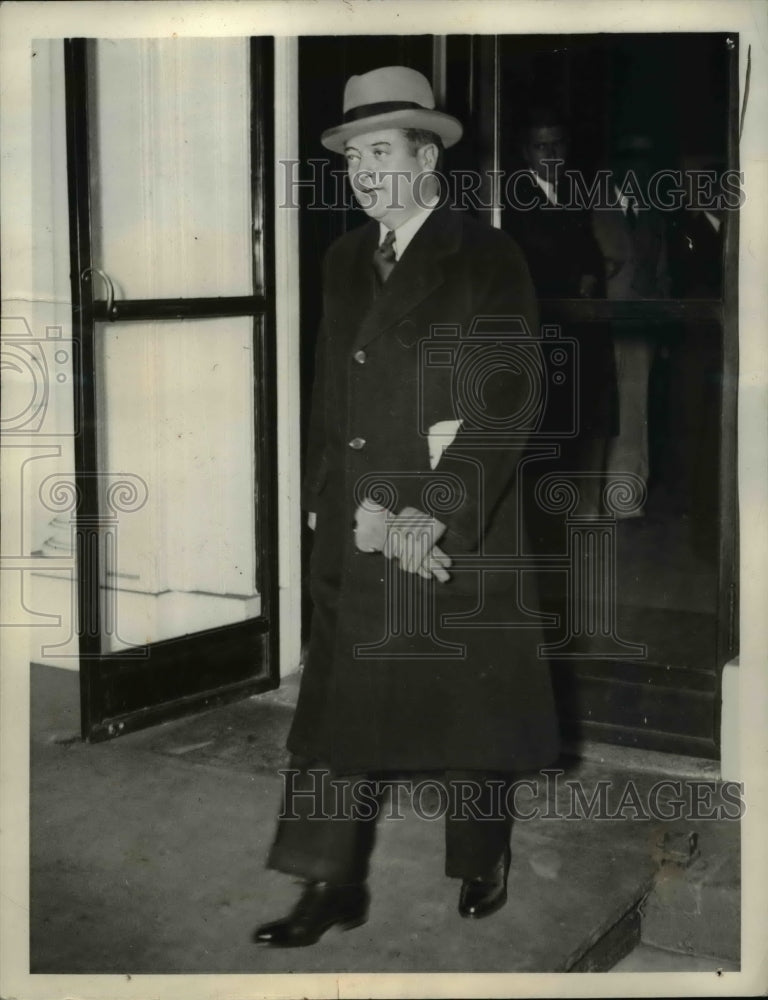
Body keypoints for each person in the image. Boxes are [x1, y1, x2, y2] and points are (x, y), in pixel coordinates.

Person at [254, 66, 560, 948]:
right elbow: (328, 396)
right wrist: (321, 506)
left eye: (380, 152)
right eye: (353, 155)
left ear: (427, 159)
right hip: (360, 521)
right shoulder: (345, 258)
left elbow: (510, 394)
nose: (361, 170)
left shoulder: (487, 257)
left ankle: (479, 855)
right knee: (338, 706)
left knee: (471, 698)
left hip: (454, 509)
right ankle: (329, 881)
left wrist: (441, 510)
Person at [502, 107, 616, 517]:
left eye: (558, 144)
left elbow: (586, 249)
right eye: (540, 146)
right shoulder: (509, 197)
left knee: (579, 418)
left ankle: (568, 509)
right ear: (525, 152)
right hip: (537, 327)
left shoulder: (574, 189)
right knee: (541, 424)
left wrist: (589, 272)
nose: (551, 154)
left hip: (577, 326)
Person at [591, 133, 670, 514]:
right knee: (602, 410)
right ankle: (596, 496)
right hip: (601, 326)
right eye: (629, 161)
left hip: (641, 329)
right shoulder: (591, 205)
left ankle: (625, 499)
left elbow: (663, 272)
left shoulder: (652, 213)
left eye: (645, 163)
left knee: (635, 410)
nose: (638, 171)